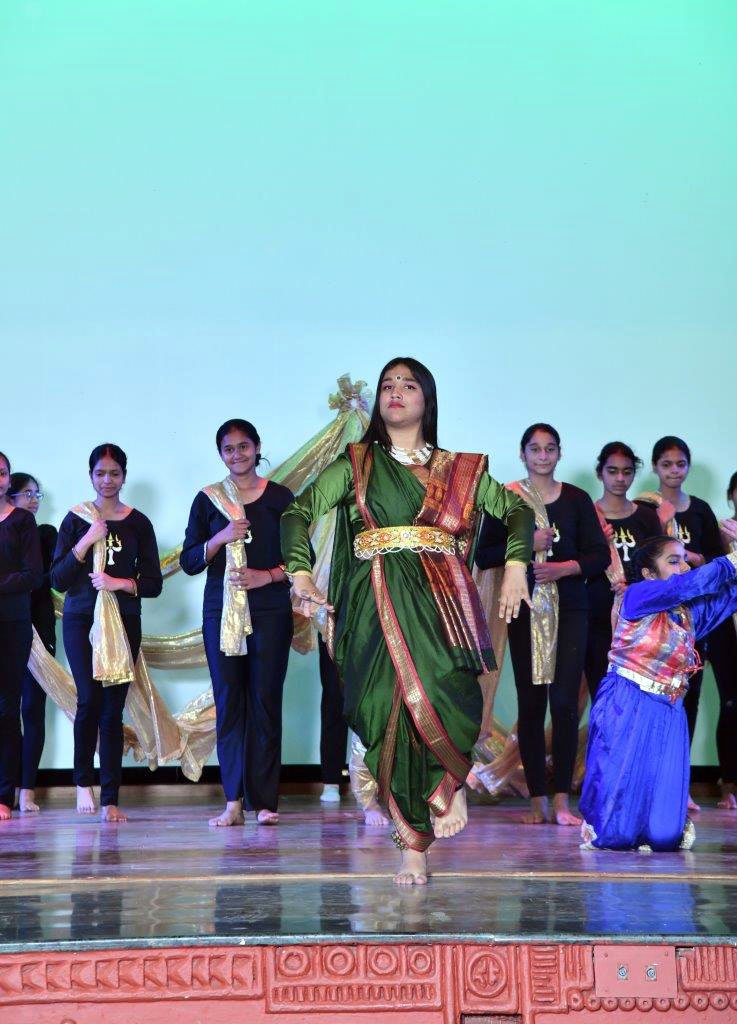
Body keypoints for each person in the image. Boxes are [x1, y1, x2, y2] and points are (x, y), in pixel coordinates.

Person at [281, 357, 534, 885]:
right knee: (386, 715)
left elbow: (517, 511)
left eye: (408, 385)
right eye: (387, 385)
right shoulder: (356, 464)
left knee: (448, 695)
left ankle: (450, 781)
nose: (395, 392)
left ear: (427, 399)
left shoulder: (458, 470)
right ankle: (412, 847)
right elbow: (296, 514)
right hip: (371, 603)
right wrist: (300, 575)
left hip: (441, 602)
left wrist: (516, 565)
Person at [475, 424, 609, 826]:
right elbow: (484, 555)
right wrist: (526, 545)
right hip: (524, 608)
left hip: (571, 609)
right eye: (535, 449)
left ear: (559, 454)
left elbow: (599, 556)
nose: (543, 456)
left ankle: (563, 802)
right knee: (532, 704)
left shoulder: (577, 499)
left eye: (550, 449)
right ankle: (538, 802)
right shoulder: (506, 499)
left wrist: (564, 568)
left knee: (565, 704)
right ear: (523, 455)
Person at [580, 529, 737, 851]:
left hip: (669, 710)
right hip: (628, 702)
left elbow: (725, 597)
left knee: (665, 837)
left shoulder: (685, 614)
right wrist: (731, 561)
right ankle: (602, 825)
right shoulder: (636, 595)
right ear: (650, 573)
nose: (684, 567)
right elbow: (686, 585)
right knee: (617, 834)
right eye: (674, 561)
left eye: (685, 560)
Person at [180, 419, 294, 828]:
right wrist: (220, 537)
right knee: (229, 703)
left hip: (270, 610)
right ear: (221, 455)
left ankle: (264, 802)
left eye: (244, 446)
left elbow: (303, 558)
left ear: (257, 447)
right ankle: (232, 801)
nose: (237, 454)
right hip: (221, 612)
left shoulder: (280, 497)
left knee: (265, 701)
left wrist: (267, 576)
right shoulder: (208, 500)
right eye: (229, 449)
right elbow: (190, 561)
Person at [52, 443, 162, 822]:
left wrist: (119, 584)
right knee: (89, 701)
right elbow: (58, 579)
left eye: (114, 473)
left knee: (113, 709)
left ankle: (110, 798)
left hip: (125, 620)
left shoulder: (138, 523)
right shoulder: (75, 519)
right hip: (81, 619)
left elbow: (153, 583)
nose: (107, 480)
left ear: (124, 476)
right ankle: (83, 782)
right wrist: (87, 540)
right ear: (91, 476)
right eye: (100, 473)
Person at [640, 436, 737, 808]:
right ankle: (676, 785)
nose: (674, 471)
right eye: (666, 464)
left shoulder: (700, 510)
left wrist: (695, 560)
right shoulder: (646, 508)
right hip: (671, 619)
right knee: (683, 698)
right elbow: (645, 563)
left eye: (680, 464)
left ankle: (729, 785)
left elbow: (717, 561)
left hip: (708, 613)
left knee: (730, 697)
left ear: (688, 467)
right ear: (655, 467)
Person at [584, 443, 660, 699]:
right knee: (601, 692)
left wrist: (633, 586)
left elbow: (658, 566)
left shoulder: (647, 517)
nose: (620, 478)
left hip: (639, 617)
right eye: (612, 471)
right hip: (597, 616)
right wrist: (597, 542)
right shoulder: (587, 515)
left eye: (627, 472)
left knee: (636, 694)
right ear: (600, 473)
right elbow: (578, 564)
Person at [8, 472, 58, 812]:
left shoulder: (45, 534)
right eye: (28, 493)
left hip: (39, 630)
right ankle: (7, 788)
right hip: (7, 627)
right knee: (7, 711)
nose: (34, 500)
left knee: (32, 709)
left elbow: (43, 579)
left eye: (37, 494)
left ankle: (27, 789)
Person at [0, 451, 43, 821]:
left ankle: (3, 794)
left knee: (6, 709)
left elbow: (32, 575)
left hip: (12, 624)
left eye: (1, 473)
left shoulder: (22, 522)